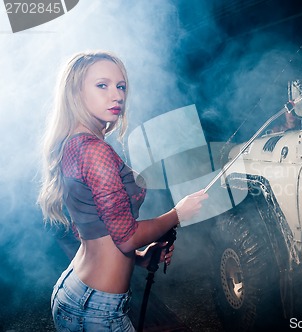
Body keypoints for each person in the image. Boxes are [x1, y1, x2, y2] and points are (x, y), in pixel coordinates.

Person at [37, 50, 209, 331]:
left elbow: (97, 229)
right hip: (96, 309)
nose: (117, 95)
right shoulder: (94, 150)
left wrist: (141, 259)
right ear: (74, 92)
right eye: (102, 85)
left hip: (77, 289)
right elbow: (127, 238)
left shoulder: (75, 143)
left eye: (121, 86)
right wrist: (179, 212)